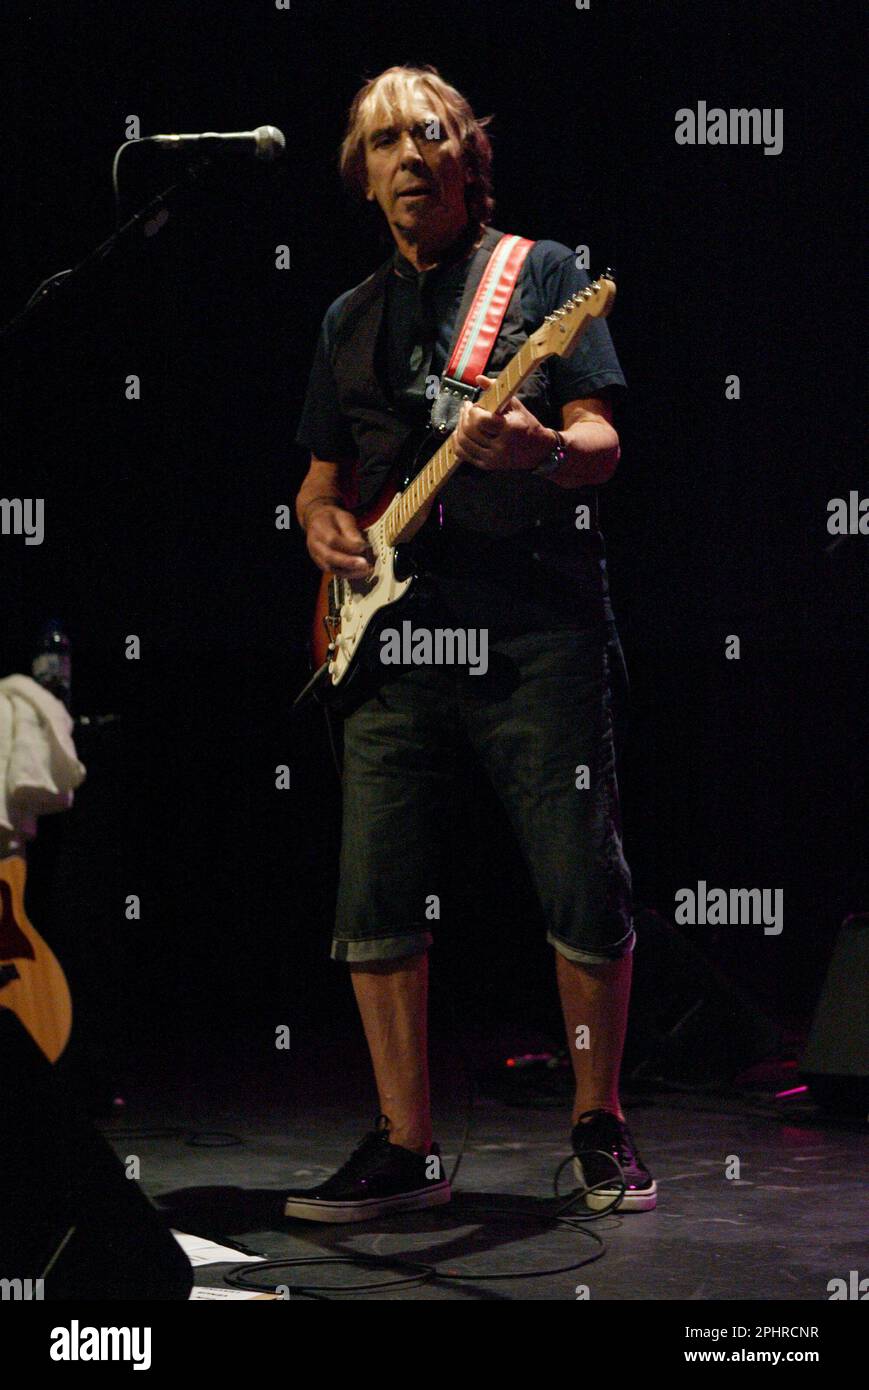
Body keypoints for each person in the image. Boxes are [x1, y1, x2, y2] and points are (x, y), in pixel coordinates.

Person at [286, 64, 656, 1222]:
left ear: (464, 157)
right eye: (385, 140)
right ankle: (405, 1143)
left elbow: (600, 439)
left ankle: (597, 1123)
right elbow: (316, 486)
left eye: (428, 134)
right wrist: (324, 533)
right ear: (362, 173)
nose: (408, 153)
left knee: (578, 877)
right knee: (374, 889)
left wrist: (538, 449)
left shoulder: (540, 277)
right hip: (388, 642)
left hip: (534, 623)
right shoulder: (345, 317)